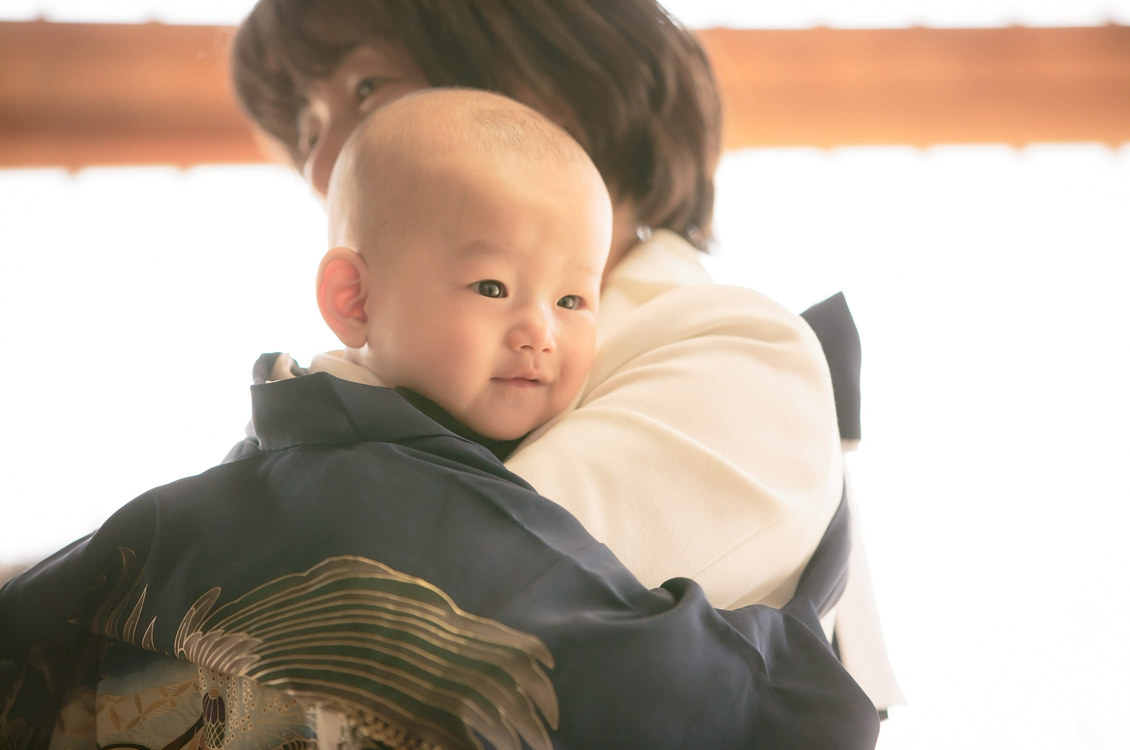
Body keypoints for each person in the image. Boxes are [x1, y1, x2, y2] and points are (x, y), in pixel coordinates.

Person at [0, 91, 878, 749]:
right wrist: (788, 662)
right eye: (492, 287)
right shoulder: (332, 470)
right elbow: (582, 649)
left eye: (575, 297)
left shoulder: (736, 341)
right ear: (355, 297)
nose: (540, 328)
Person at [229, 0, 902, 710]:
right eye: (305, 133)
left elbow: (421, 603)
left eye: (366, 89)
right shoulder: (377, 388)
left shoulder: (746, 360)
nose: (319, 165)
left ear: (550, 75)